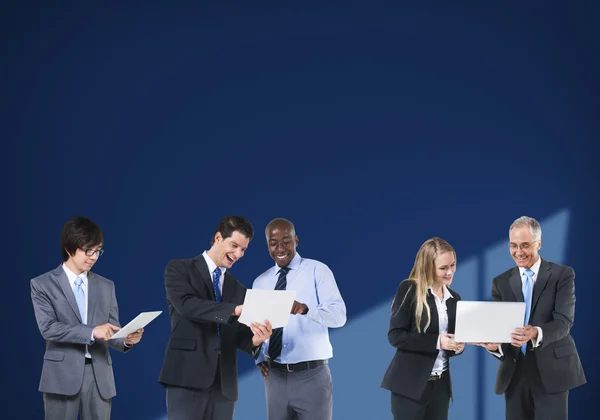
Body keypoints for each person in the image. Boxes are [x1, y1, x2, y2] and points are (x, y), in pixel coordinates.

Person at [158, 215, 273, 420]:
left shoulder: (236, 287)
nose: (238, 254)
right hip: (187, 378)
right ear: (218, 238)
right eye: (234, 245)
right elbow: (187, 306)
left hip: (224, 385)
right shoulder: (180, 269)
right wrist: (234, 310)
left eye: (243, 249)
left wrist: (254, 340)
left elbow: (237, 333)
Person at [30, 216, 144, 420]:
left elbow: (110, 331)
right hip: (61, 375)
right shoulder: (42, 284)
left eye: (98, 251)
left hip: (99, 376)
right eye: (88, 250)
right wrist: (91, 331)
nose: (93, 257)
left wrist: (125, 340)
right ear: (69, 249)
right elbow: (48, 328)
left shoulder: (106, 286)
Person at [476, 216, 586, 420]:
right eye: (513, 246)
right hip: (515, 371)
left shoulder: (562, 275)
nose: (518, 252)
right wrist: (495, 347)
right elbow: (501, 330)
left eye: (525, 245)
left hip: (552, 368)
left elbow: (564, 321)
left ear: (539, 244)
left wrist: (536, 332)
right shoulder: (500, 282)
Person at [252, 218, 346, 420]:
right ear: (267, 245)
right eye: (273, 242)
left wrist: (305, 309)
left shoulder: (317, 271)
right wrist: (259, 358)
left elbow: (339, 317)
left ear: (296, 240)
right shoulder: (261, 282)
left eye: (286, 241)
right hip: (275, 377)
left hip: (311, 376)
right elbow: (255, 326)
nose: (280, 248)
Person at [381, 237, 465, 420]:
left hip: (441, 387)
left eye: (453, 265)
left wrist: (457, 346)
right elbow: (395, 336)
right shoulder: (410, 289)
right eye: (443, 268)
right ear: (428, 266)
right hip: (410, 386)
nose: (450, 272)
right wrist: (438, 341)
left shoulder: (455, 298)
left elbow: (449, 345)